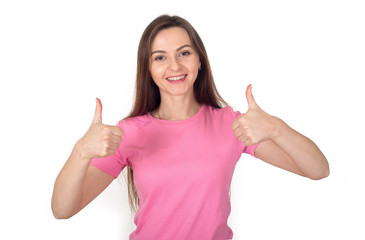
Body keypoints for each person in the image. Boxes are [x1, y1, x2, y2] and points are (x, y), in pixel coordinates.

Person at [51, 14, 329, 240]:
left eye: (184, 53)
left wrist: (277, 128)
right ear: (147, 69)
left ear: (199, 60)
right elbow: (62, 210)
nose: (174, 66)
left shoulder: (232, 125)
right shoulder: (129, 133)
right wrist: (81, 152)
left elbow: (318, 170)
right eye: (160, 57)